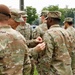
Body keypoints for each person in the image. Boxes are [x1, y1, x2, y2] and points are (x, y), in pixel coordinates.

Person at [0, 4, 45, 75]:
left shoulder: (21, 33)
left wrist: (34, 42)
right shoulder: (19, 36)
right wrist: (35, 50)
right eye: (16, 21)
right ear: (9, 18)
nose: (18, 24)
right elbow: (26, 64)